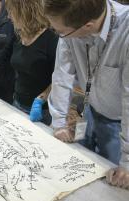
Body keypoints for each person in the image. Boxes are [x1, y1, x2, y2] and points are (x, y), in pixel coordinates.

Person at [43, 0, 129, 188]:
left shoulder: (125, 31)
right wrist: (58, 122)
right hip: (89, 110)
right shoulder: (71, 26)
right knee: (81, 168)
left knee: (109, 186)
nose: (58, 35)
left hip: (121, 124)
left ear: (88, 25)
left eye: (60, 32)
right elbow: (62, 74)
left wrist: (127, 161)